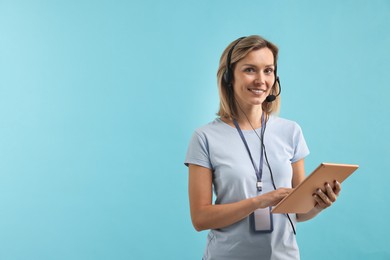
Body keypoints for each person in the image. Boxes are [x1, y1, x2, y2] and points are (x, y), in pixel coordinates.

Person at [184, 35, 341, 260]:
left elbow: (297, 211)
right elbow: (200, 219)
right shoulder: (205, 137)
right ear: (229, 76)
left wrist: (318, 205)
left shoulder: (291, 131)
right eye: (250, 70)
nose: (261, 80)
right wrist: (259, 201)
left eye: (268, 70)